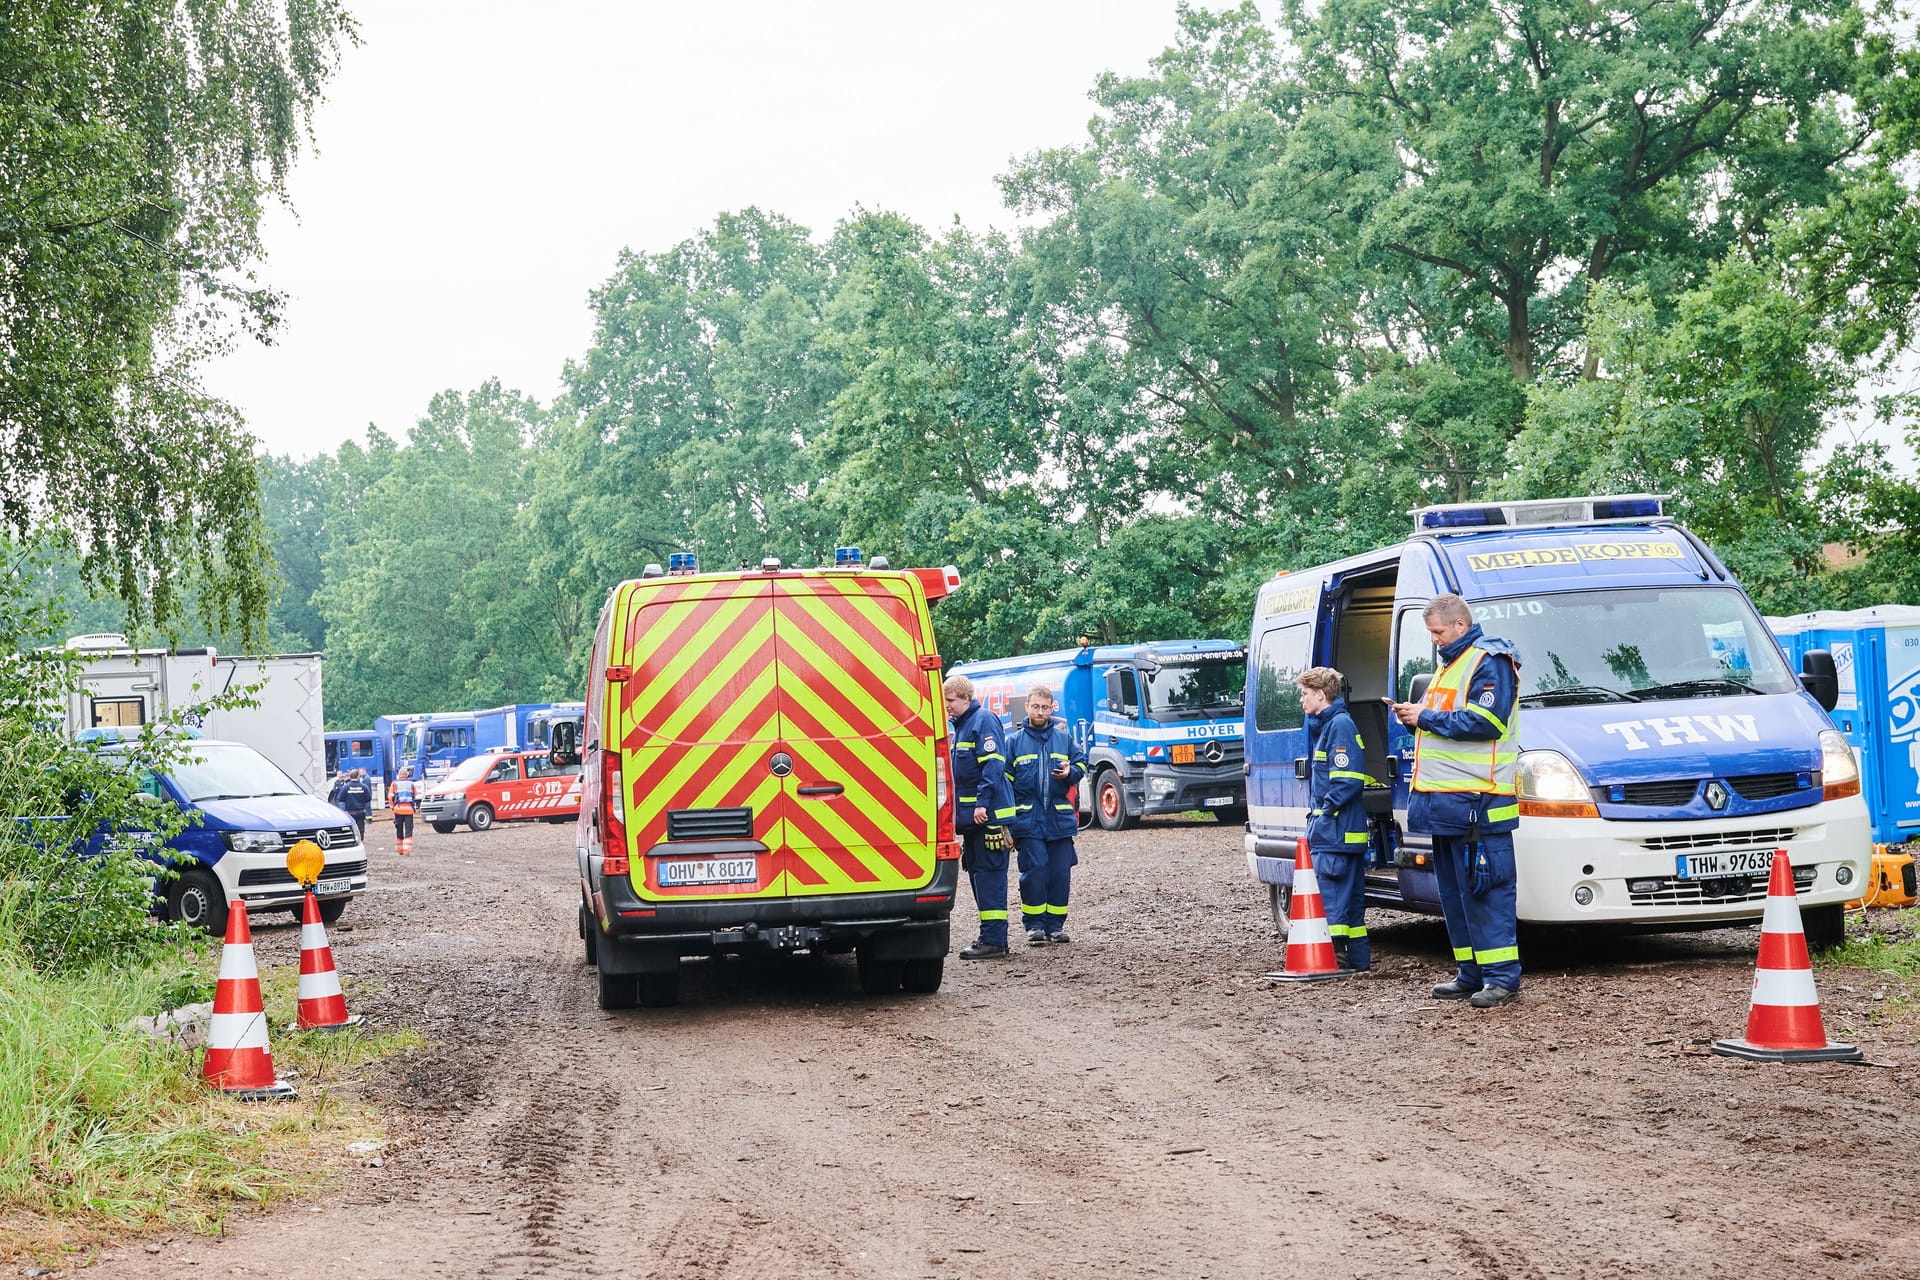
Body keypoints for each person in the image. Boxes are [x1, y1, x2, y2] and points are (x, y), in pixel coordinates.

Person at [1392, 593, 1522, 1008]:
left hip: (1479, 806)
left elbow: (1486, 722)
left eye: (1438, 631)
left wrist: (1424, 717)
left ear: (1460, 626)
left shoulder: (1490, 660)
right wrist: (1416, 714)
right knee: (1454, 894)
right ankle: (1471, 973)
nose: (1434, 639)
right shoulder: (1449, 666)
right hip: (1447, 805)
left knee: (1487, 892)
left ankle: (1502, 979)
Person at [1297, 666, 1371, 971]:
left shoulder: (1338, 726)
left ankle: (1336, 959)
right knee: (1350, 906)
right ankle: (1356, 961)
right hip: (1339, 832)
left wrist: (1325, 812)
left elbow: (1347, 780)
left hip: (1335, 833)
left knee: (1333, 899)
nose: (1301, 700)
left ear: (1320, 695)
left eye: (1304, 694)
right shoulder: (1331, 725)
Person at [1006, 684, 1088, 945]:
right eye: (1035, 706)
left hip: (1059, 820)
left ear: (1052, 708)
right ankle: (1034, 927)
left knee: (1060, 874)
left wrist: (1071, 772)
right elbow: (1005, 783)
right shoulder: (1014, 743)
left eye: (1045, 707)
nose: (1040, 711)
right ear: (1027, 707)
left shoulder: (1063, 739)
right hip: (1028, 820)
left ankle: (1055, 926)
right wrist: (1005, 823)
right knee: (1035, 872)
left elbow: (1082, 762)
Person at [944, 675, 1018, 961]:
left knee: (989, 877)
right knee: (978, 875)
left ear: (965, 697)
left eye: (950, 700)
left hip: (989, 817)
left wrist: (981, 804)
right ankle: (991, 936)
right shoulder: (962, 727)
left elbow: (992, 767)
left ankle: (994, 941)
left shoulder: (983, 721)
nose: (947, 706)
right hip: (975, 820)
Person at [338, 767, 373, 841]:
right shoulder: (363, 787)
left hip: (350, 812)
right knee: (361, 826)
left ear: (350, 777)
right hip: (361, 811)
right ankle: (361, 840)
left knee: (351, 827)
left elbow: (340, 798)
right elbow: (369, 798)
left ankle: (352, 840)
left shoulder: (346, 787)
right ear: (358, 776)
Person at [391, 765, 418, 856]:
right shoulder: (411, 784)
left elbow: (391, 797)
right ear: (407, 775)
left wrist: (392, 808)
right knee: (408, 830)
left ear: (399, 775)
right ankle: (407, 850)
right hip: (409, 810)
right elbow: (415, 794)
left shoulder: (394, 784)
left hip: (398, 810)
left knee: (399, 829)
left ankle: (400, 850)